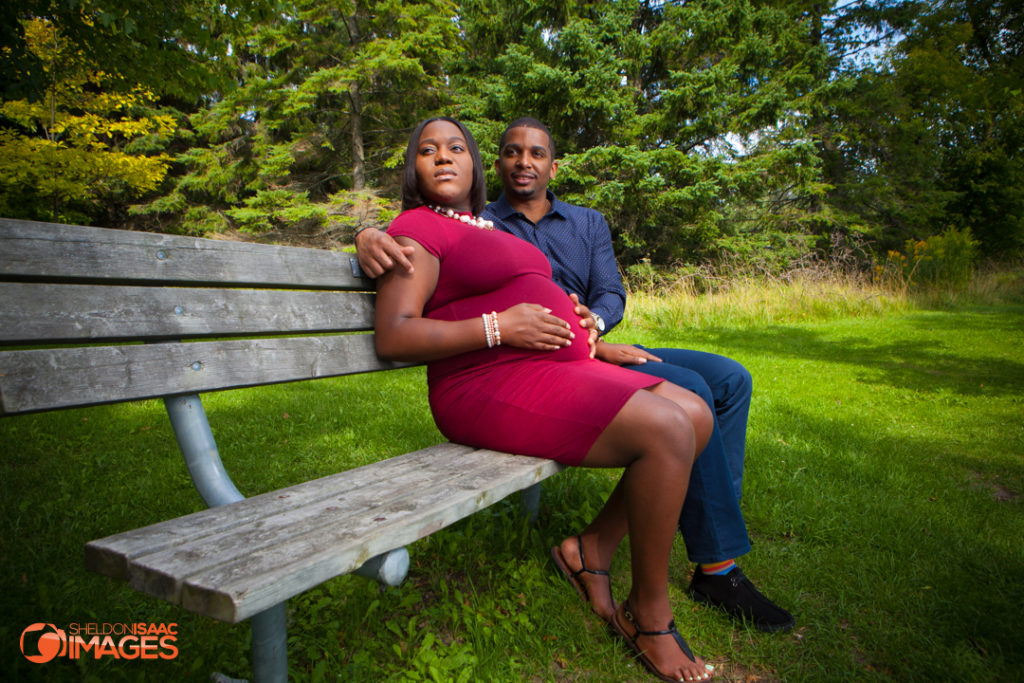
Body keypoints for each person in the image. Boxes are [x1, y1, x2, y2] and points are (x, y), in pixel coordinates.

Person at [358, 118, 795, 633]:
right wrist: (364, 232)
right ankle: (706, 572)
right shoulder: (476, 219)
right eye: (428, 150)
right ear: (495, 164)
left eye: (456, 148)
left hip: (585, 347)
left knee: (726, 381)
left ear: (551, 165)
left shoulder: (560, 222)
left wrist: (591, 324)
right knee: (687, 403)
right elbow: (413, 256)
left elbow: (606, 291)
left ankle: (633, 539)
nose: (524, 163)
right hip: (522, 368)